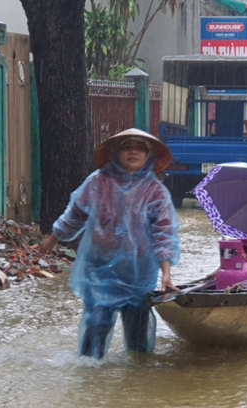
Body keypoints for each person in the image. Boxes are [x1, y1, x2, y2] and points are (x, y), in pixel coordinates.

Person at [39, 129, 180, 359]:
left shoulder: (155, 192)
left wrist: (166, 274)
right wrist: (55, 236)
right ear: (116, 153)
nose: (133, 151)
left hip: (139, 272)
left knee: (138, 337)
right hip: (99, 268)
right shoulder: (98, 182)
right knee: (95, 328)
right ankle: (90, 377)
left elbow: (163, 233)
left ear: (148, 156)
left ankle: (137, 378)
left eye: (141, 148)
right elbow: (75, 214)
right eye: (127, 147)